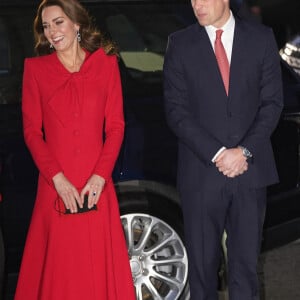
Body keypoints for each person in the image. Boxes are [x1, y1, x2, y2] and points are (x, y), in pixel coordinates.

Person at [14, 0, 135, 299]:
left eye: (58, 22)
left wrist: (100, 176)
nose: (52, 32)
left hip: (96, 187)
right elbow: (31, 132)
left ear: (77, 24)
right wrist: (56, 177)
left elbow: (116, 127)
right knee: (61, 273)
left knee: (98, 272)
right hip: (56, 187)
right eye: (46, 26)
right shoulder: (36, 70)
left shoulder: (106, 65)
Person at [163, 0, 283, 299]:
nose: (196, 5)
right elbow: (176, 112)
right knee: (202, 272)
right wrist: (218, 153)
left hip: (250, 173)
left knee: (245, 270)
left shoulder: (261, 38)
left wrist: (244, 151)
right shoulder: (180, 43)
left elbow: (272, 104)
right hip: (201, 176)